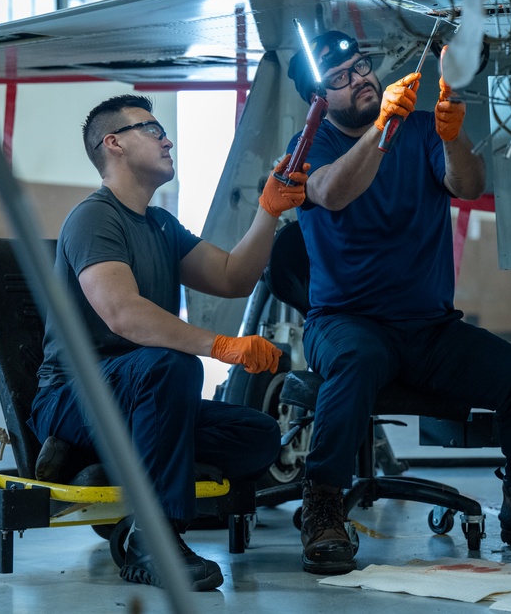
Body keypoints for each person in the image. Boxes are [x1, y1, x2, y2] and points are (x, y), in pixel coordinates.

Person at [285, 31, 511, 575]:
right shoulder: (310, 145)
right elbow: (334, 192)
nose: (360, 78)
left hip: (429, 326)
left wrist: (451, 133)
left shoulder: (418, 129)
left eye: (362, 66)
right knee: (357, 359)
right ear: (318, 100)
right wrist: (383, 129)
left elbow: (467, 183)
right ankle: (322, 503)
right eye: (339, 78)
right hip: (345, 321)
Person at [27, 94, 308, 591]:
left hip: (143, 398)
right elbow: (123, 314)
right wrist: (220, 346)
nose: (167, 139)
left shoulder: (160, 225)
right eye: (152, 130)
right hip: (74, 395)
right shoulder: (95, 218)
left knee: (258, 436)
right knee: (173, 366)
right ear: (113, 144)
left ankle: (102, 461)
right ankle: (151, 537)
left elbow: (232, 276)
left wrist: (268, 212)